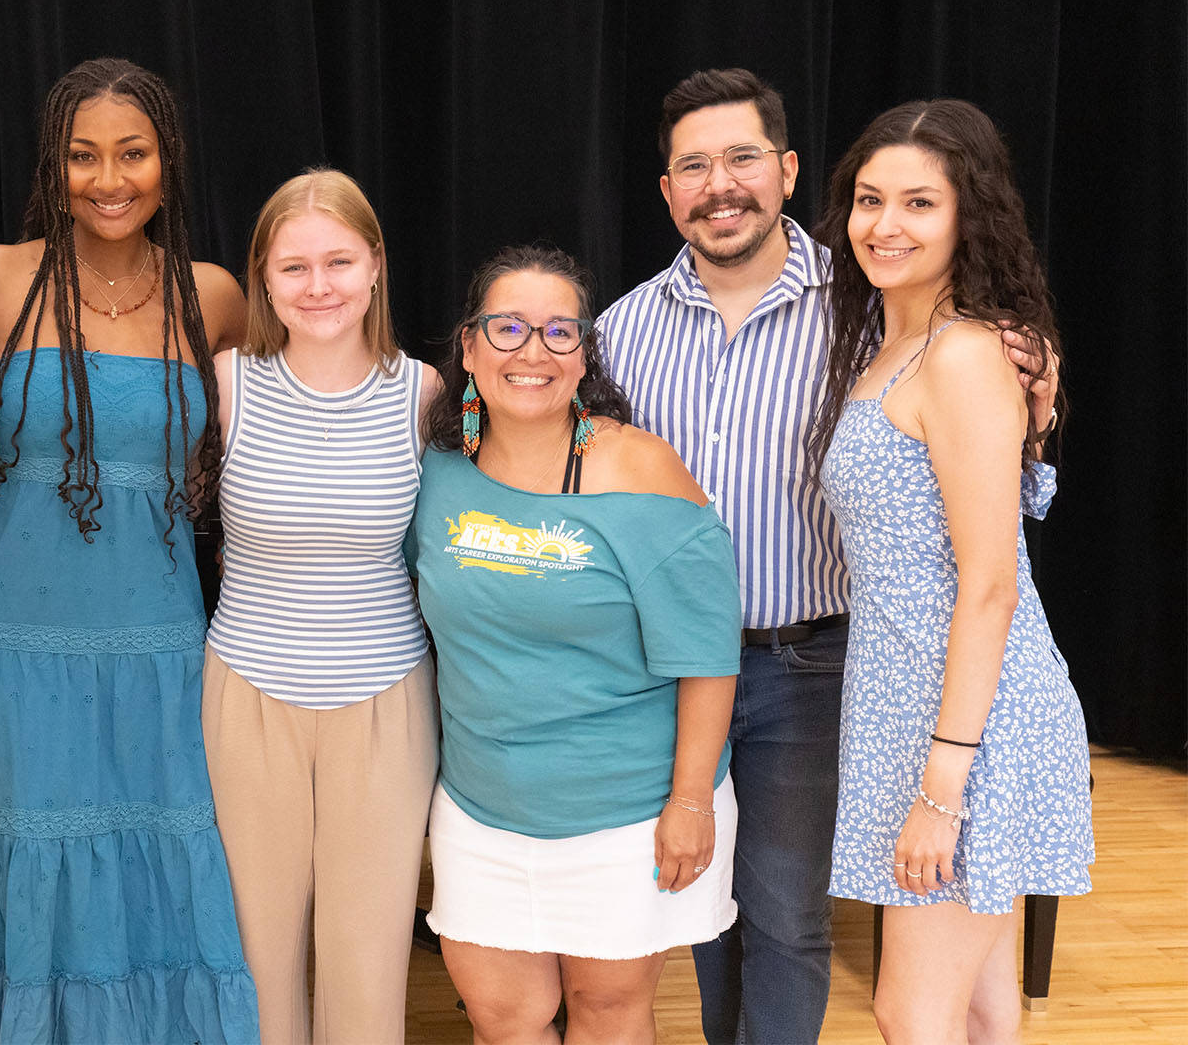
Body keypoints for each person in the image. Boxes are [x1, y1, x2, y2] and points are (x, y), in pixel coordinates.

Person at [595, 68, 1060, 1044]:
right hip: (677, 673)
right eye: (693, 165)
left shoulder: (858, 302)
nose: (720, 183)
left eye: (742, 159)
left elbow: (989, 548)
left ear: (789, 171)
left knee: (789, 919)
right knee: (706, 914)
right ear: (667, 188)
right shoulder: (623, 332)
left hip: (822, 664)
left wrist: (1038, 378)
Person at [0, 56, 258, 1044]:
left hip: (156, 641)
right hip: (7, 639)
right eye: (83, 156)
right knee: (22, 856)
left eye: (133, 153)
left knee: (158, 862)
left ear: (168, 161)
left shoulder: (214, 297)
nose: (110, 179)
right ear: (51, 166)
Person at [809, 99, 1092, 1044]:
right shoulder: (895, 343)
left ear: (969, 216)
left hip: (972, 722)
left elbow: (993, 583)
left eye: (919, 204)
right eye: (869, 199)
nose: (885, 225)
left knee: (909, 1010)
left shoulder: (965, 353)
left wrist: (943, 787)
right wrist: (1039, 422)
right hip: (907, 702)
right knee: (980, 1008)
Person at [410, 245, 741, 1045]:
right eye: (509, 327)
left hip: (626, 815)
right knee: (505, 1018)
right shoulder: (435, 470)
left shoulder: (640, 468)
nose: (533, 351)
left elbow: (706, 653)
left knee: (609, 1015)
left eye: (560, 332)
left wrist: (690, 805)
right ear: (468, 346)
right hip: (481, 809)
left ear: (586, 353)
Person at [203, 169, 441, 1044]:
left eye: (338, 261)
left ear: (375, 266)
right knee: (255, 953)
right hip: (246, 695)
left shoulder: (424, 394)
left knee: (369, 957)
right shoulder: (225, 385)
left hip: (385, 702)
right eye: (294, 266)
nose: (319, 286)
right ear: (262, 276)